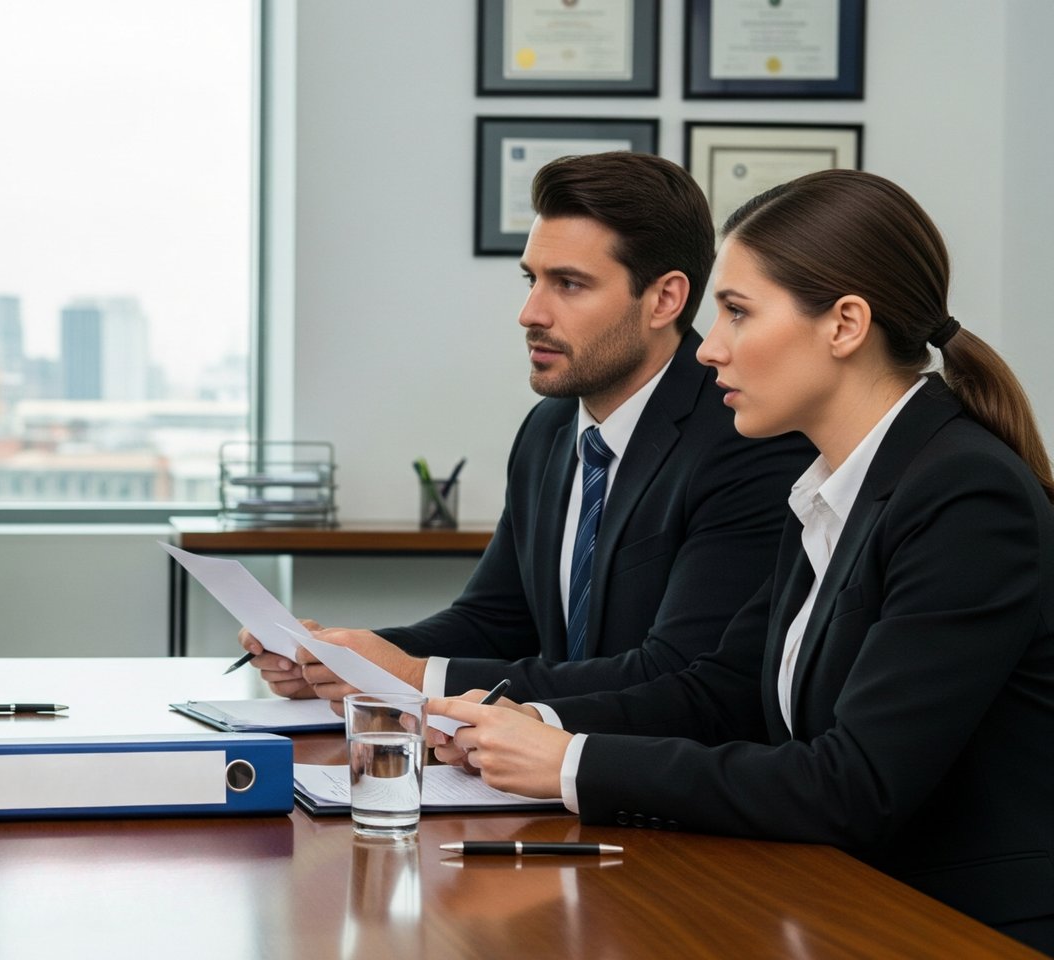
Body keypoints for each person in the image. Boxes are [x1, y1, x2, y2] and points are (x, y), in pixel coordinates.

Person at [428, 169, 1054, 951]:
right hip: (842, 901)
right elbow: (721, 690)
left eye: (736, 313)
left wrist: (571, 762)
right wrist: (529, 726)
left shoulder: (965, 496)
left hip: (956, 927)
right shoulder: (831, 484)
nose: (708, 347)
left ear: (845, 325)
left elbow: (853, 784)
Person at [243, 152, 811, 703]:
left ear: (664, 299)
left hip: (653, 782)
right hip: (539, 766)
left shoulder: (744, 437)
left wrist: (415, 677)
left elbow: (676, 673)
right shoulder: (550, 428)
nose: (531, 313)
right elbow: (493, 621)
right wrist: (341, 658)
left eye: (568, 284)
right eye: (531, 280)